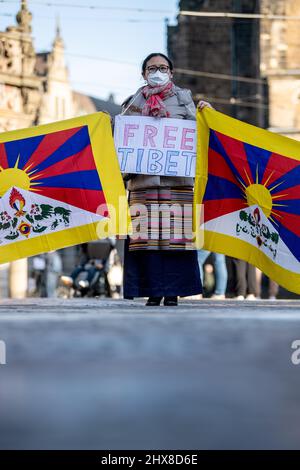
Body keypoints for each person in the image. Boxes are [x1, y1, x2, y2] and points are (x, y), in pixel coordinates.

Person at [122, 52, 209, 307]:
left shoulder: (184, 101)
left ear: (171, 73)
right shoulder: (131, 103)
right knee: (146, 241)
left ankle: (172, 292)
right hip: (144, 183)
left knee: (176, 240)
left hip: (177, 182)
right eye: (151, 68)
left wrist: (208, 114)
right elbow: (123, 140)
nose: (157, 71)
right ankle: (152, 291)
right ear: (143, 74)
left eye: (162, 67)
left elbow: (201, 134)